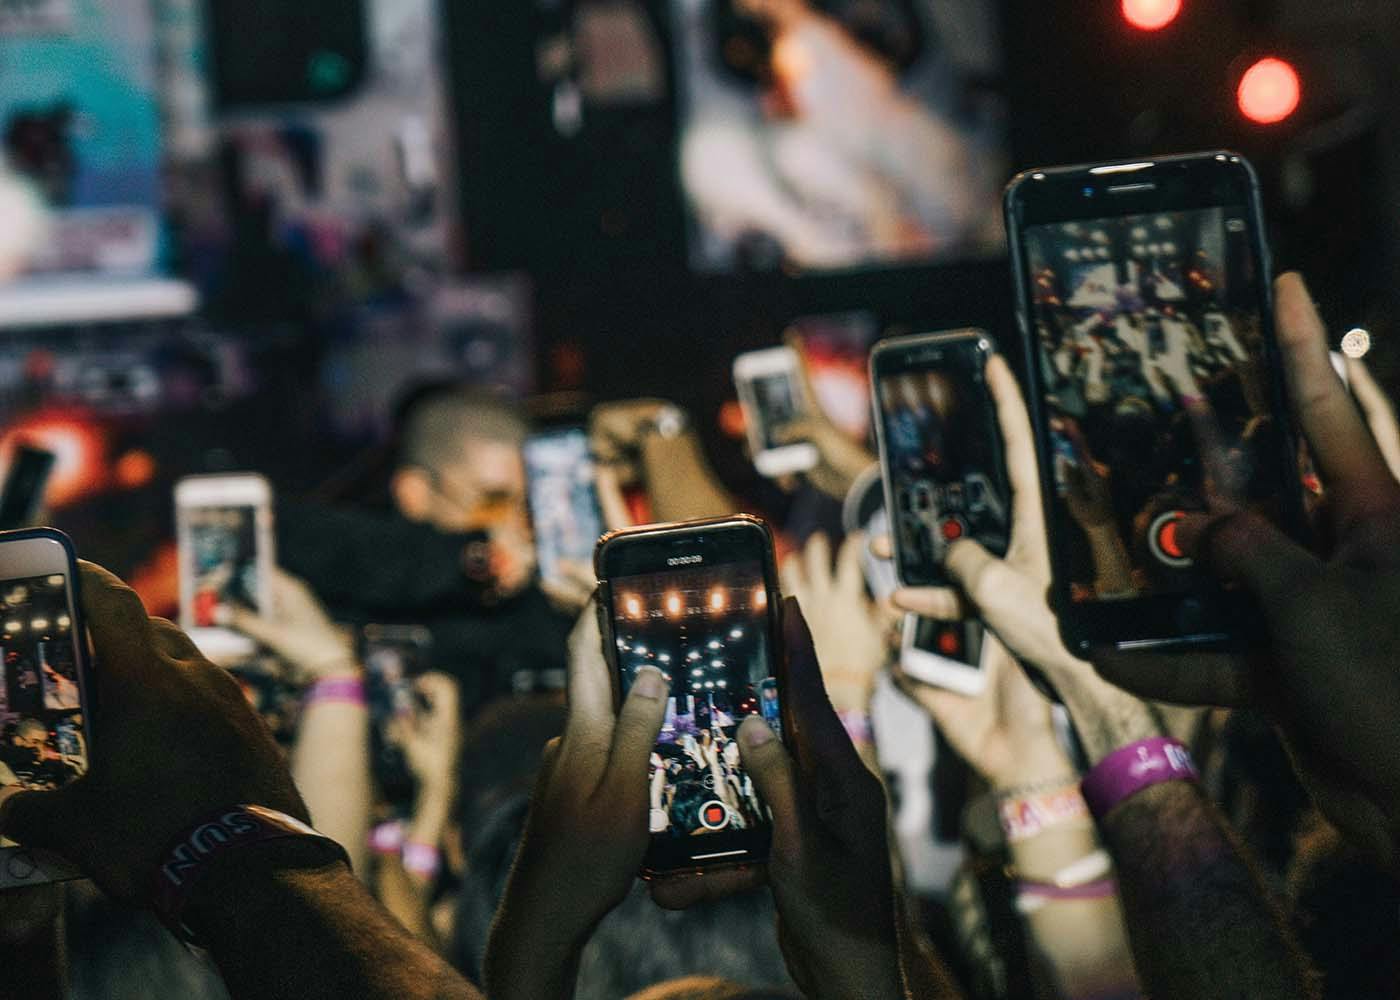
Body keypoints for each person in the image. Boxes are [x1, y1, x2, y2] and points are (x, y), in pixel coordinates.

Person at [275, 385, 574, 715]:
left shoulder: (534, 600)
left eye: (528, 506)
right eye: (492, 502)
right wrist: (477, 560)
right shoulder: (357, 562)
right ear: (414, 493)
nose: (515, 526)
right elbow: (330, 545)